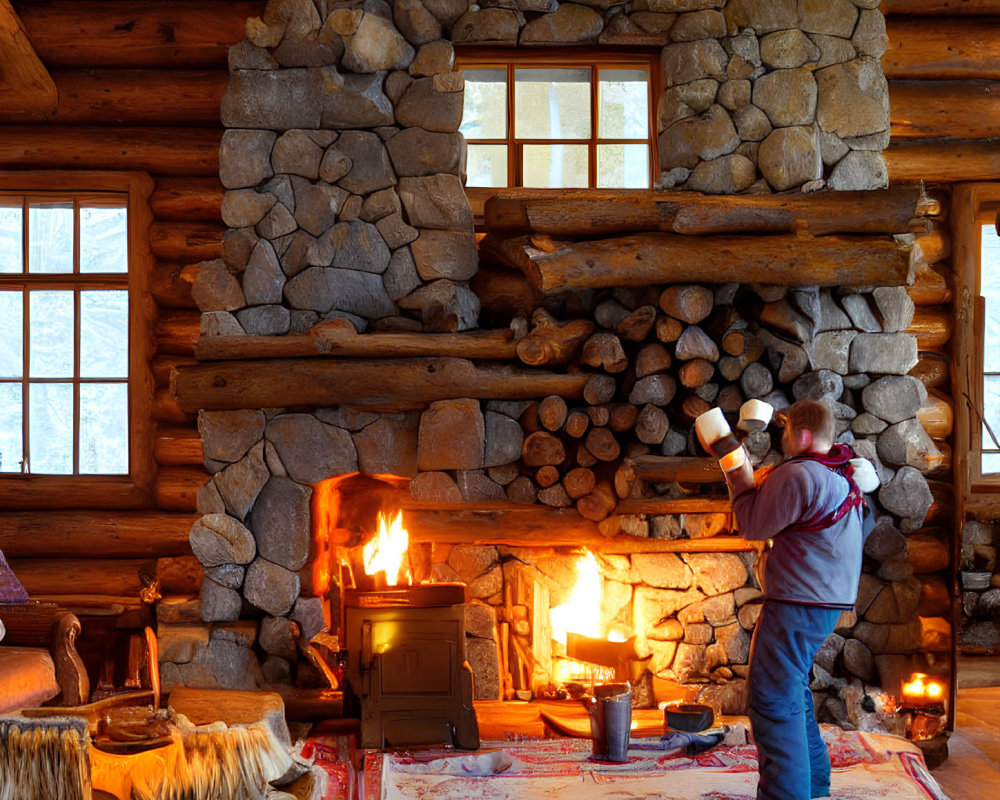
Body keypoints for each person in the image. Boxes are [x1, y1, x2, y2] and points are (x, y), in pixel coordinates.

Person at [713, 399, 870, 800]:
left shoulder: (799, 474)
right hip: (824, 602)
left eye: (785, 434)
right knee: (792, 693)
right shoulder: (840, 475)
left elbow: (751, 524)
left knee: (771, 703)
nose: (783, 441)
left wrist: (735, 469)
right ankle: (814, 786)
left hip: (797, 603)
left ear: (801, 435)